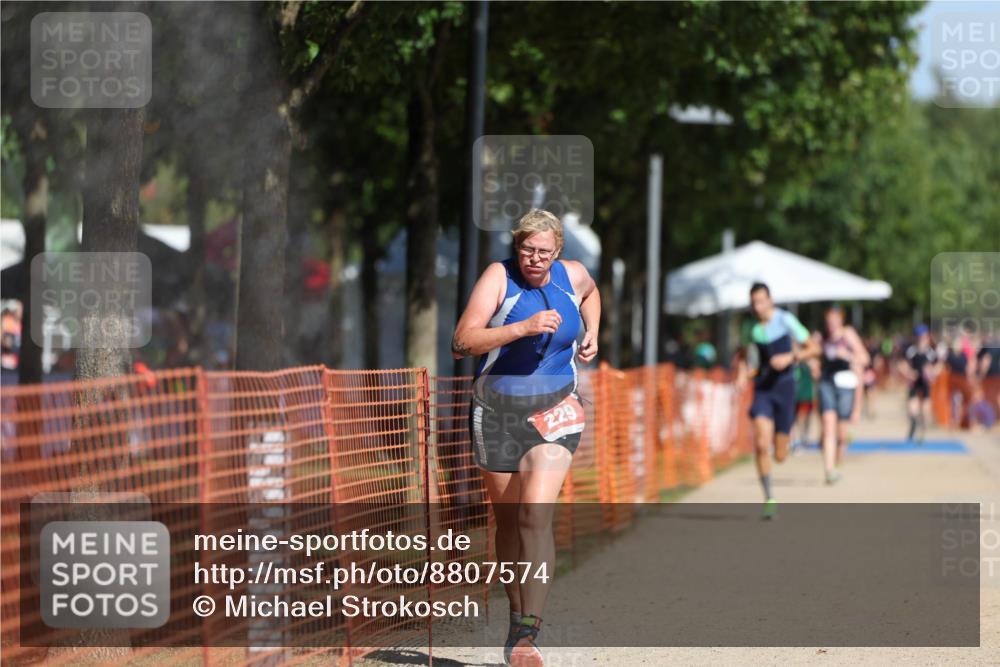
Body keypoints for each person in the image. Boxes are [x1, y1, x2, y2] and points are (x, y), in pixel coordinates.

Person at [451, 209, 600, 667]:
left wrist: (593, 331)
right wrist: (522, 328)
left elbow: (591, 291)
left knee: (535, 513)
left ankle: (529, 633)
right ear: (516, 247)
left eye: (544, 252)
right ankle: (517, 623)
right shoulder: (499, 278)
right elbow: (462, 340)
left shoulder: (571, 275)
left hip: (556, 409)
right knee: (511, 524)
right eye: (526, 249)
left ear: (559, 251)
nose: (534, 259)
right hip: (496, 412)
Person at [738, 284, 819, 519]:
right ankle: (769, 498)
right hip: (763, 388)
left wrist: (792, 356)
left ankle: (782, 446)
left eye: (761, 301)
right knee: (762, 444)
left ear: (770, 300)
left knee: (780, 455)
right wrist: (742, 374)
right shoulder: (751, 329)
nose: (758, 307)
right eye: (754, 302)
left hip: (785, 387)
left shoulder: (786, 320)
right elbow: (745, 356)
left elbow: (814, 349)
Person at [813, 307, 869, 484]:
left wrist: (847, 355)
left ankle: (836, 460)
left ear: (841, 320)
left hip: (845, 385)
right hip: (827, 383)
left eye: (834, 320)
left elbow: (864, 359)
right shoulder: (822, 337)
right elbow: (811, 355)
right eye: (828, 321)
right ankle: (829, 470)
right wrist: (813, 363)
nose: (831, 324)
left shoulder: (848, 335)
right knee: (829, 425)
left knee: (842, 434)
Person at [898, 325, 940, 443]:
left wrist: (932, 373)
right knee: (912, 409)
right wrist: (909, 373)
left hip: (925, 382)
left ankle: (923, 431)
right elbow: (901, 364)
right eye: (919, 336)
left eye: (923, 336)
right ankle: (914, 424)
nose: (921, 338)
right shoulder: (911, 350)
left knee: (926, 408)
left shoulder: (931, 352)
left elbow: (939, 365)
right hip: (914, 381)